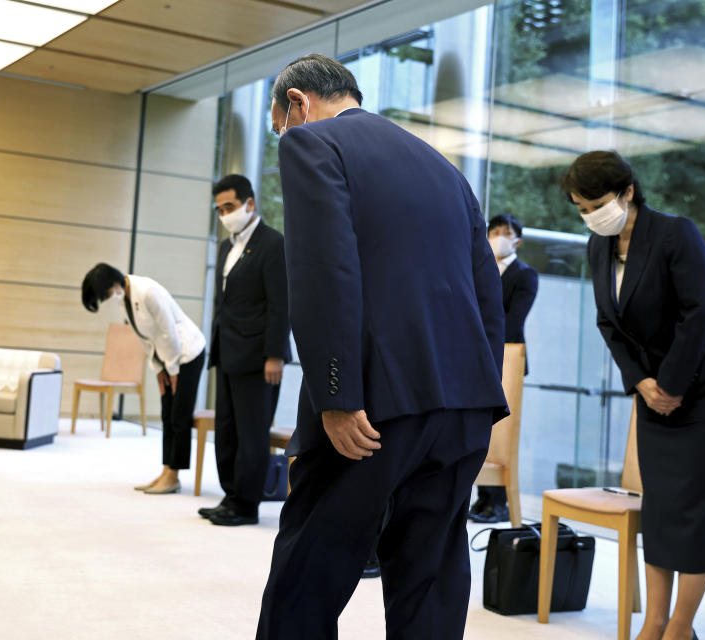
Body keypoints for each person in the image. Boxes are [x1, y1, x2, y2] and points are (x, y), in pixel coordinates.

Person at [256, 53, 508, 640]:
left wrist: (338, 396)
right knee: (431, 579)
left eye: (279, 127)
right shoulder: (445, 169)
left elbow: (324, 273)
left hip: (373, 410)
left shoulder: (312, 144)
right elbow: (485, 295)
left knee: (307, 572)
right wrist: (479, 398)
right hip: (461, 409)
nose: (282, 139)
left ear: (298, 104)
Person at [561, 150, 705, 640]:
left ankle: (679, 629)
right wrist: (644, 384)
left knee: (698, 515)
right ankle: (656, 622)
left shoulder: (675, 233)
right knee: (663, 513)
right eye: (580, 208)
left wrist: (670, 383)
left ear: (627, 191)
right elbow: (608, 323)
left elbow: (699, 316)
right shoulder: (598, 246)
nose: (589, 216)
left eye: (595, 203)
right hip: (652, 396)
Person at [199, 174, 292, 527]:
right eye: (220, 208)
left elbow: (280, 304)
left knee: (252, 434)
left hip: (258, 357)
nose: (224, 214)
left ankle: (247, 504)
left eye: (230, 207)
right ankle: (231, 494)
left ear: (250, 204)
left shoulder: (273, 243)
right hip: (228, 352)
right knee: (227, 430)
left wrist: (275, 354)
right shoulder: (227, 246)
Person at [81, 263, 206, 494]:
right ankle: (167, 470)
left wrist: (174, 370)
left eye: (105, 293)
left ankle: (174, 475)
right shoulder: (124, 300)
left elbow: (168, 330)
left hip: (188, 353)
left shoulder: (147, 291)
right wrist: (159, 370)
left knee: (179, 414)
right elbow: (146, 338)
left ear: (113, 282)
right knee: (167, 412)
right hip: (167, 356)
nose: (108, 298)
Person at [470, 213, 538, 524]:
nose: (499, 236)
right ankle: (482, 499)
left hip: (507, 359)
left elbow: (514, 320)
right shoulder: (476, 270)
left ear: (518, 240)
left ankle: (497, 503)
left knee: (500, 432)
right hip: (475, 360)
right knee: (478, 428)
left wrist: (487, 348)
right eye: (494, 231)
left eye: (506, 232)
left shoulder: (525, 275)